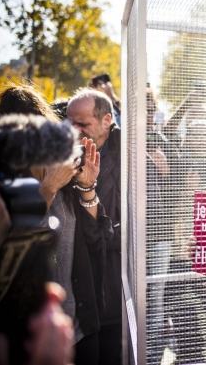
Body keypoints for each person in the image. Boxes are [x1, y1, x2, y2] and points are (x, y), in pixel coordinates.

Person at [0, 85, 113, 364]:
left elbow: (100, 238)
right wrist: (49, 186)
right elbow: (11, 253)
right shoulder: (8, 187)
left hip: (81, 325)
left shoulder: (64, 172)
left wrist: (87, 187)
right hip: (32, 337)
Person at [66, 89, 121, 365]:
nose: (73, 130)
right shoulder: (60, 158)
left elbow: (148, 225)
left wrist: (102, 233)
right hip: (74, 291)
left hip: (115, 286)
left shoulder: (135, 159)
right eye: (69, 122)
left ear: (106, 120)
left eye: (83, 124)